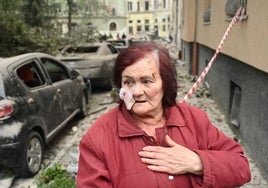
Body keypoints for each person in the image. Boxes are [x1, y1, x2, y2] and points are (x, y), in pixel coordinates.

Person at [77, 42, 251, 187]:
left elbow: (241, 167)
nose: (137, 92)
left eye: (147, 81)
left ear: (165, 84)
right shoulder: (98, 138)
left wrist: (198, 162)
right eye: (128, 82)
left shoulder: (194, 120)